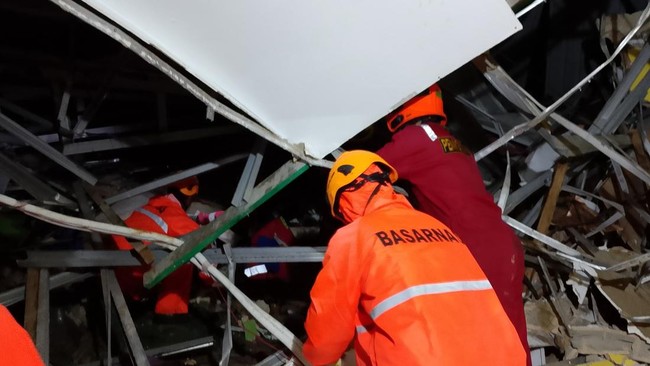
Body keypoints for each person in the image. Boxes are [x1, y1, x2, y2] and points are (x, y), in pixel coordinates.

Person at [303, 150, 525, 366]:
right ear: (386, 183)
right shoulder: (438, 227)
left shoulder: (352, 237)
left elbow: (327, 334)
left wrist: (312, 358)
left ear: (343, 202)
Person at [376, 83, 530, 362]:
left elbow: (366, 172)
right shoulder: (453, 142)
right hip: (502, 245)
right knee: (510, 341)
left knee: (470, 342)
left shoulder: (415, 138)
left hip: (475, 250)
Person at [112, 176, 215, 315]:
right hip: (134, 273)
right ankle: (170, 311)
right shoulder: (178, 218)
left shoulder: (152, 205)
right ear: (190, 198)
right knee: (184, 258)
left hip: (114, 265)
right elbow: (204, 247)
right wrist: (208, 279)